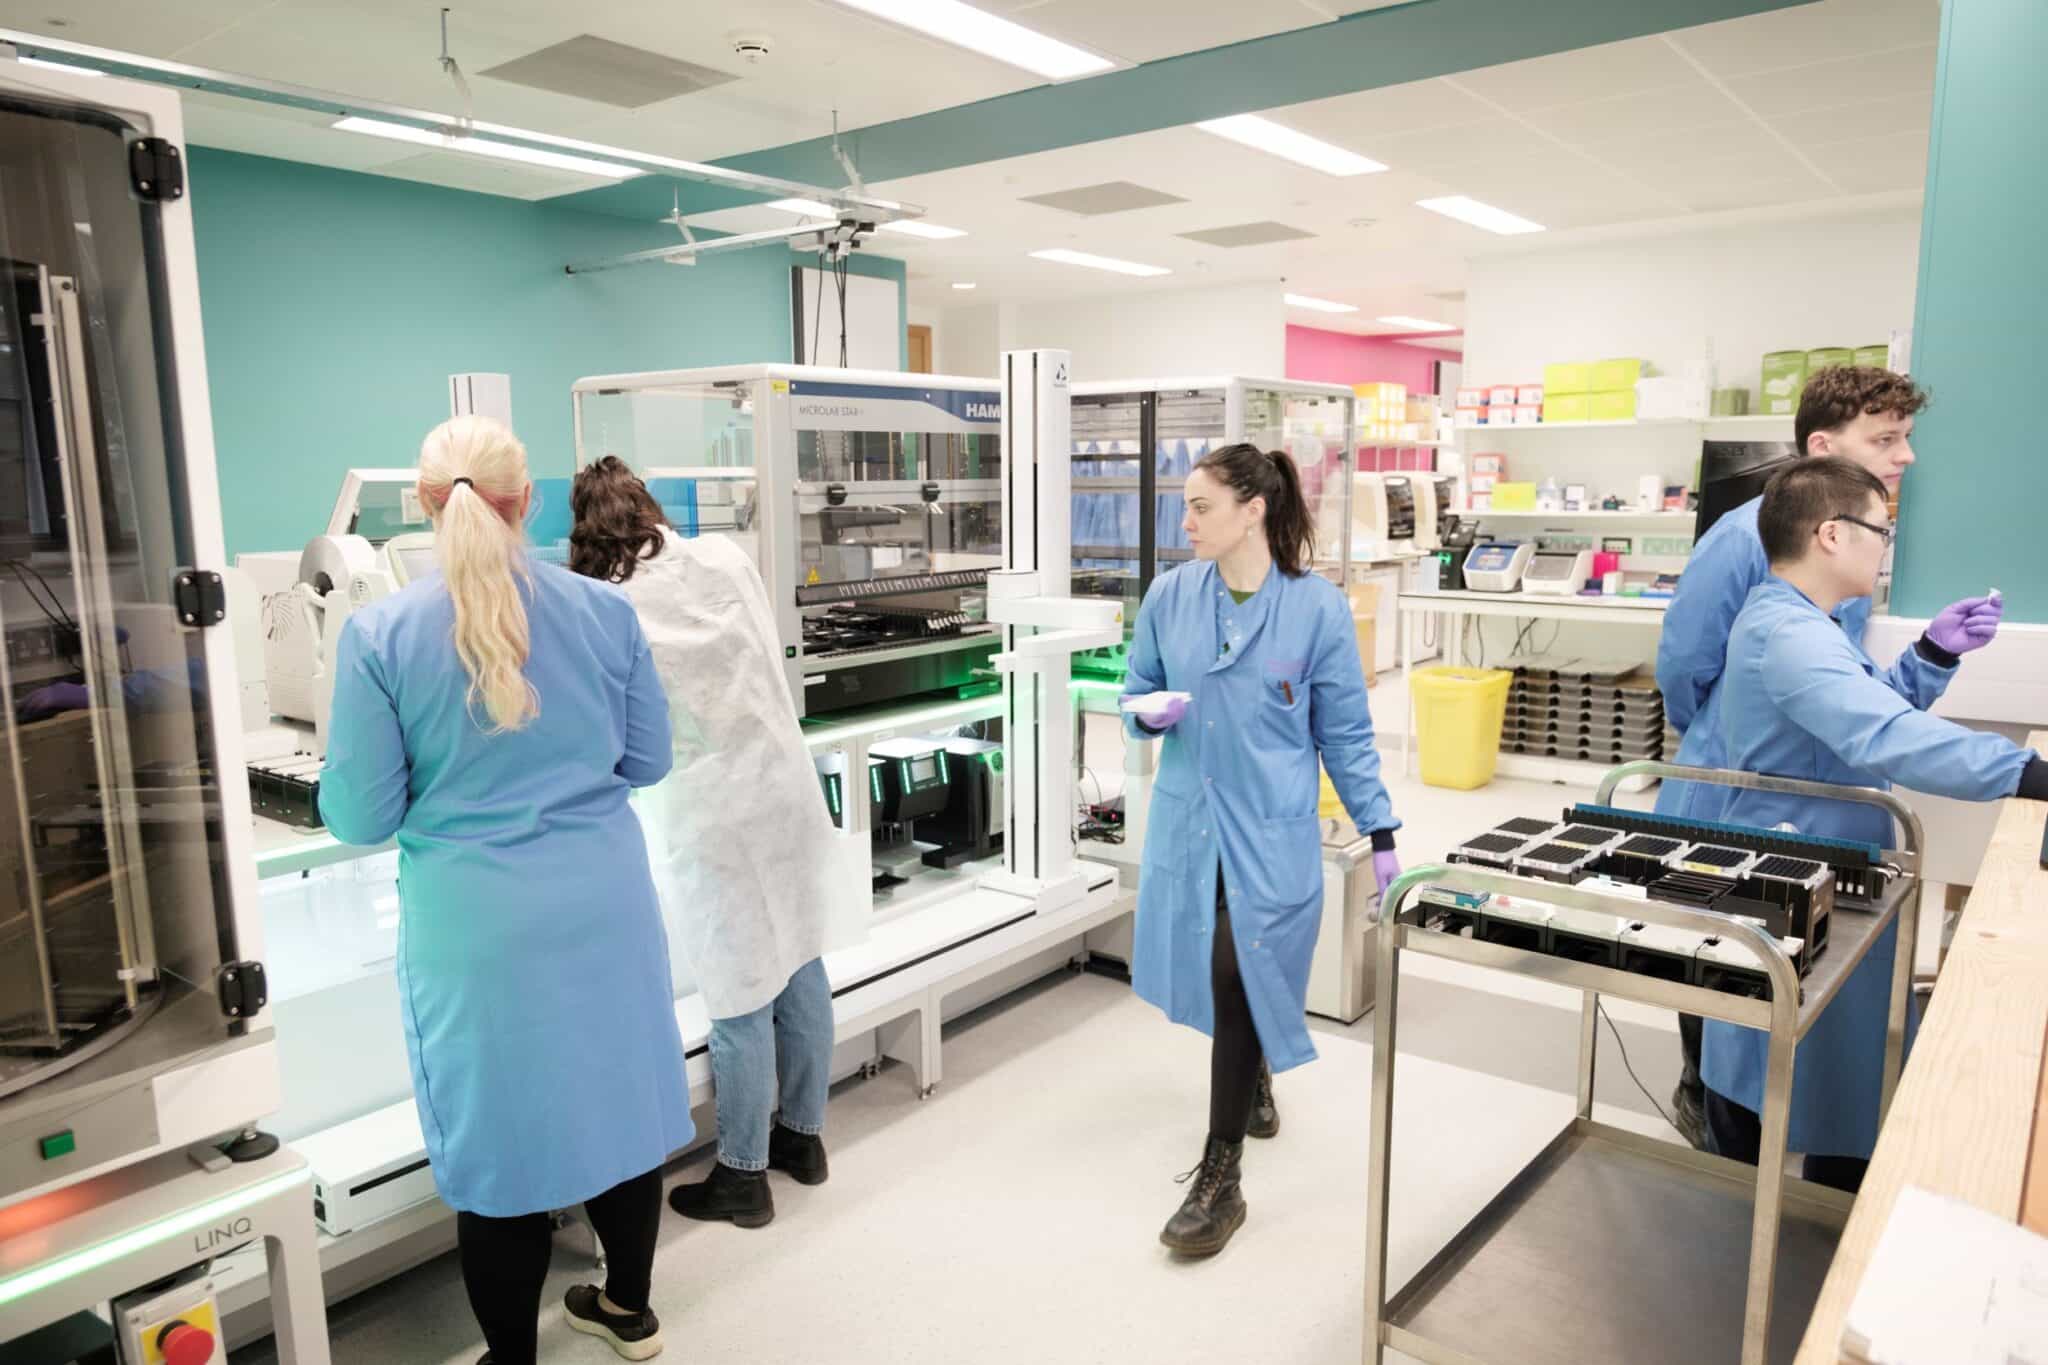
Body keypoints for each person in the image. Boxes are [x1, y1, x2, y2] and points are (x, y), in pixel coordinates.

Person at [321, 419, 690, 1365]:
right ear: (529, 502)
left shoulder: (378, 634)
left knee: (503, 1149)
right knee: (618, 1105)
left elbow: (359, 816)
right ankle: (628, 1309)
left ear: (422, 507)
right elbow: (646, 760)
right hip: (602, 907)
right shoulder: (606, 614)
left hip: (476, 931)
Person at [1655, 366, 2002, 1144]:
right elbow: (1683, 666)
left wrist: (1933, 655)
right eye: (1886, 438)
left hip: (1808, 800)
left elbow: (1855, 698)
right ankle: (1715, 1117)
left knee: (1780, 1007)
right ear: (1821, 446)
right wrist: (1731, 735)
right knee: (1726, 995)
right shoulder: (1748, 542)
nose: (1906, 455)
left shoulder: (1847, 544)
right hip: (1734, 789)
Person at [1700, 457, 2047, 1191]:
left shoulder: (1804, 621)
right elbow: (1882, 736)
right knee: (1792, 1065)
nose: (1886, 544)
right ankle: (1766, 1203)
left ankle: (1822, 1184)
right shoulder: (1788, 633)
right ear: (1831, 533)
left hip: (1830, 858)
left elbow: (1861, 709)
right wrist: (2023, 772)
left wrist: (1932, 653)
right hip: (1794, 867)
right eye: (1880, 529)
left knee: (1835, 1063)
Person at [1120, 441, 1401, 1257]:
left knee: (1237, 966)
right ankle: (1257, 1079)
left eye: (1201, 505)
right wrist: (1148, 711)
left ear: (1254, 510)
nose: (1186, 521)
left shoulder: (1314, 610)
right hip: (1191, 826)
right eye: (1185, 505)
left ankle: (1222, 1175)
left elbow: (1344, 733)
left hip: (1270, 828)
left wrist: (1381, 832)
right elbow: (1134, 686)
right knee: (1225, 971)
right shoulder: (1171, 595)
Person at [568, 456, 848, 1231]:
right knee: (799, 956)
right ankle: (805, 1138)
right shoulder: (723, 555)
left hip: (708, 807)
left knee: (737, 989)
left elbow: (609, 717)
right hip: (784, 783)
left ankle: (743, 1174)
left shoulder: (604, 602)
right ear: (651, 508)